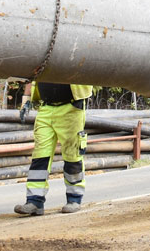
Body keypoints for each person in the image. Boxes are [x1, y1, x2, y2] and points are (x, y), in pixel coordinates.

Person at [15, 80, 95, 215]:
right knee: (40, 156)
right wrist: (26, 99)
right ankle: (34, 201)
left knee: (72, 154)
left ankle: (74, 199)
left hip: (71, 107)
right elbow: (33, 72)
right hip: (45, 107)